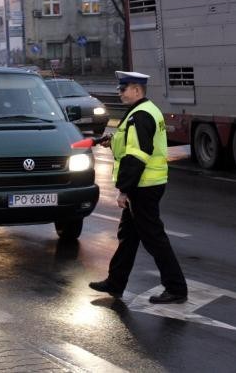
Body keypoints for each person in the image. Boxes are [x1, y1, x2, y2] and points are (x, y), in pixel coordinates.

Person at [89, 71, 188, 304]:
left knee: (154, 238)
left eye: (123, 89)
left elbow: (137, 156)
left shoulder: (140, 115)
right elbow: (134, 143)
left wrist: (124, 190)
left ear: (136, 89)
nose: (119, 93)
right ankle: (115, 282)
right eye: (119, 89)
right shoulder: (144, 110)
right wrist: (112, 141)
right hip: (146, 184)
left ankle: (176, 288)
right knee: (128, 236)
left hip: (143, 186)